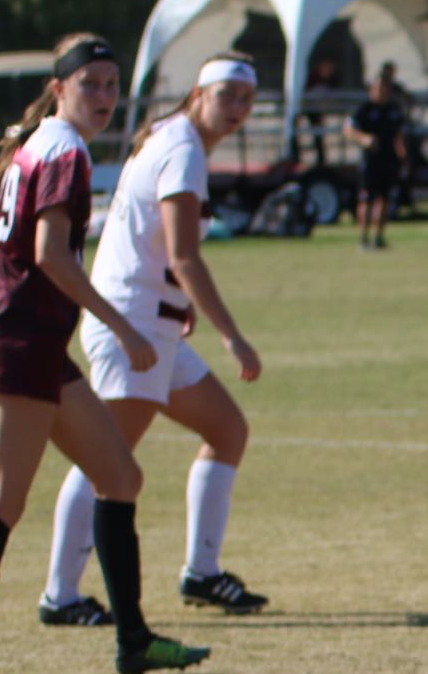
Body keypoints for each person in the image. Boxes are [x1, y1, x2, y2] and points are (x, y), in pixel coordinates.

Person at [0, 34, 209, 674]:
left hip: (31, 341)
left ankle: (133, 641)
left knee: (121, 475)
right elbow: (51, 255)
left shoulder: (37, 144)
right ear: (60, 88)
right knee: (0, 502)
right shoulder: (65, 150)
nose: (105, 97)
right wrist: (120, 326)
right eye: (92, 84)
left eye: (113, 85)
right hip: (24, 340)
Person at [37, 53, 268, 626]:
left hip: (152, 323)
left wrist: (180, 304)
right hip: (133, 328)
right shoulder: (183, 148)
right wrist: (232, 337)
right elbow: (184, 255)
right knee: (105, 460)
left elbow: (157, 249)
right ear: (198, 93)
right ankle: (60, 595)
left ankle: (201, 573)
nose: (236, 109)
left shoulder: (174, 139)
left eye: (246, 99)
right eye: (227, 95)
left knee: (226, 429)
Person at [345, 68, 407, 250]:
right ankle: (363, 238)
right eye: (378, 88)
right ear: (372, 89)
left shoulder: (394, 109)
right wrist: (363, 139)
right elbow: (348, 130)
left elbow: (400, 135)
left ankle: (378, 238)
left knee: (385, 200)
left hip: (389, 160)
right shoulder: (364, 109)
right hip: (370, 160)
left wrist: (403, 157)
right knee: (367, 199)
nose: (382, 92)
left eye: (385, 88)